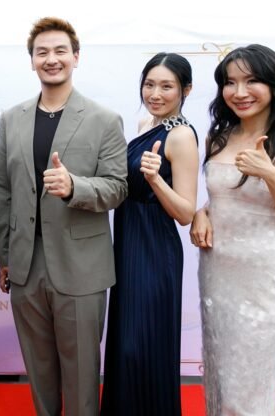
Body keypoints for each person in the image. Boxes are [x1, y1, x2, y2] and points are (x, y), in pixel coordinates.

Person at [0, 17, 128, 416]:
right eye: (42, 52)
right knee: (39, 369)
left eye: (60, 51)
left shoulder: (103, 119)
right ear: (32, 60)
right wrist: (5, 255)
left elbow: (117, 187)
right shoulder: (11, 118)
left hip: (80, 266)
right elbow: (2, 188)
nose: (51, 59)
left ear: (76, 57)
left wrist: (74, 187)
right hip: (25, 264)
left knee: (82, 372)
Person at [191, 44, 275, 415]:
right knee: (221, 384)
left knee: (246, 395)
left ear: (274, 85)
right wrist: (203, 212)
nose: (239, 92)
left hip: (264, 282)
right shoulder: (219, 136)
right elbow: (226, 198)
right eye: (230, 82)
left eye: (251, 81)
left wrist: (271, 175)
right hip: (217, 277)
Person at [100, 53, 199, 415]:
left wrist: (155, 179)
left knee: (140, 344)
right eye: (149, 84)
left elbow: (185, 213)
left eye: (166, 86)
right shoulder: (146, 123)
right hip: (129, 245)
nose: (155, 94)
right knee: (127, 341)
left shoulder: (181, 136)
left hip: (155, 251)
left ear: (186, 90)